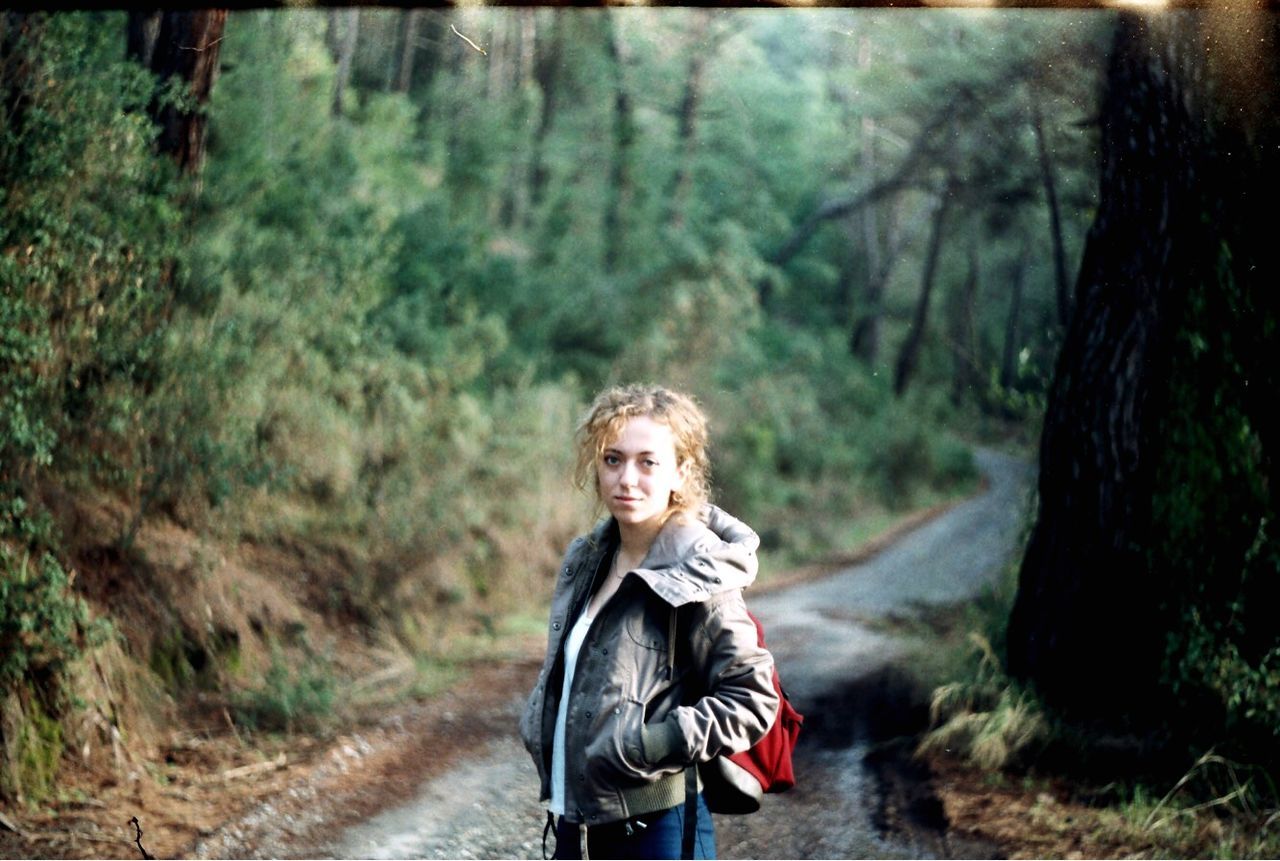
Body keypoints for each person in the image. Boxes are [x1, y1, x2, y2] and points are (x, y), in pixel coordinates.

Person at [520, 384, 780, 860]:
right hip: (582, 821)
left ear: (680, 472)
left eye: (648, 462)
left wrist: (648, 744)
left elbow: (754, 698)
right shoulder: (589, 560)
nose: (627, 479)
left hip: (658, 829)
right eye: (613, 459)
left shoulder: (700, 570)